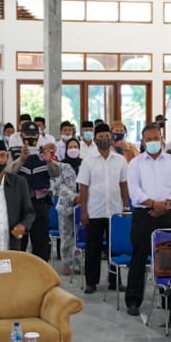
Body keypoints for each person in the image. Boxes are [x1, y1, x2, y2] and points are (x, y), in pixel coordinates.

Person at [125, 124, 171, 317]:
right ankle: (133, 300)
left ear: (162, 138)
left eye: (155, 138)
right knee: (139, 257)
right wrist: (152, 204)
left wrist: (164, 206)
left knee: (167, 257)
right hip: (144, 214)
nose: (152, 142)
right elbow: (134, 191)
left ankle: (166, 297)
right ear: (142, 142)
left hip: (167, 213)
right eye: (148, 139)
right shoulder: (135, 163)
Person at [77, 124, 129, 295]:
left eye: (107, 135)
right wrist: (84, 211)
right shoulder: (88, 161)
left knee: (114, 248)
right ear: (95, 138)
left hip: (115, 210)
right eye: (100, 136)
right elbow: (83, 188)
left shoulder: (120, 159)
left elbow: (123, 185)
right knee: (93, 248)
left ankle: (115, 281)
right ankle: (91, 282)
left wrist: (126, 207)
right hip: (94, 210)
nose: (104, 139)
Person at [7, 121, 59, 262]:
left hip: (40, 203)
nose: (31, 138)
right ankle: (17, 275)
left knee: (41, 242)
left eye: (34, 135)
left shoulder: (46, 152)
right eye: (27, 135)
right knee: (18, 242)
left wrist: (49, 160)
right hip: (19, 204)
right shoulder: (13, 152)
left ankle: (41, 276)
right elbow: (8, 174)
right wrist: (21, 160)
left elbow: (56, 173)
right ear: (21, 135)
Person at [53, 136, 83, 277]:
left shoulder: (84, 164)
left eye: (75, 147)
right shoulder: (61, 165)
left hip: (82, 205)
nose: (73, 150)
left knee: (79, 235)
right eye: (70, 147)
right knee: (66, 236)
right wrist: (74, 196)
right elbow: (60, 185)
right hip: (65, 206)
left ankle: (77, 263)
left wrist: (82, 196)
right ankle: (66, 263)